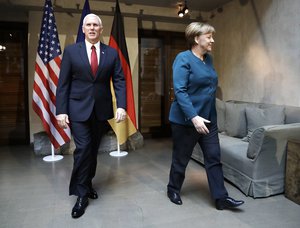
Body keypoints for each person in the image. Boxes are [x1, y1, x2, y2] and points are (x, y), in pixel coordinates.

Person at [167, 22, 244, 210]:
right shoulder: (183, 59)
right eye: (209, 37)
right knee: (181, 158)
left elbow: (209, 88)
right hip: (186, 121)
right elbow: (180, 91)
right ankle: (173, 188)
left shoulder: (208, 59)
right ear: (196, 38)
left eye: (212, 36)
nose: (212, 40)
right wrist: (194, 117)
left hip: (209, 120)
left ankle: (221, 198)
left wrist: (208, 116)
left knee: (213, 157)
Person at [56, 13, 126, 218]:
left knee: (93, 150)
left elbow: (120, 80)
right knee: (84, 148)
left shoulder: (111, 53)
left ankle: (86, 183)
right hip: (77, 109)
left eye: (96, 25)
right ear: (83, 29)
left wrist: (121, 106)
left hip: (101, 110)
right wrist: (61, 110)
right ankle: (81, 194)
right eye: (88, 25)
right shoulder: (71, 51)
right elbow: (63, 83)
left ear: (101, 29)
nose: (92, 28)